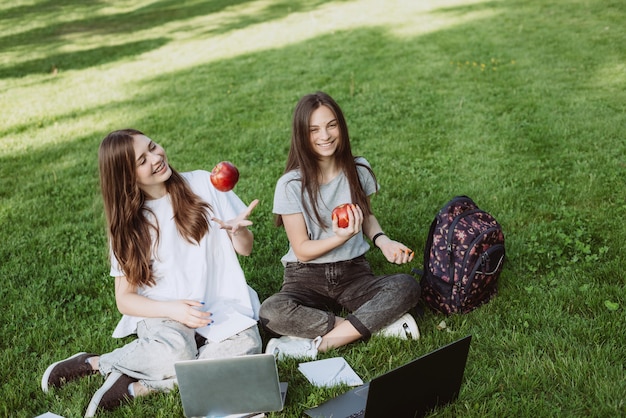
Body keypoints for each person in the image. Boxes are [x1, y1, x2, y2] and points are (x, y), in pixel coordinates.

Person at [41, 129, 262, 416]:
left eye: (153, 147)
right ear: (126, 176)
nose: (156, 157)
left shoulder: (204, 184)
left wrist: (239, 233)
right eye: (142, 160)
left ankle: (141, 385)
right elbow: (125, 299)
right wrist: (174, 310)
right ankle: (96, 363)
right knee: (177, 352)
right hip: (163, 314)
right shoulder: (127, 227)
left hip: (220, 306)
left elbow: (245, 249)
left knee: (248, 345)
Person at [259, 92, 421, 360]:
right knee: (271, 312)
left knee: (406, 286)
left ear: (341, 127)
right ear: (302, 135)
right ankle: (370, 327)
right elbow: (302, 250)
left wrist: (383, 240)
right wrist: (340, 237)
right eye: (314, 129)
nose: (325, 135)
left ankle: (319, 345)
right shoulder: (290, 185)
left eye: (331, 125)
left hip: (353, 274)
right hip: (305, 277)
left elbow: (366, 216)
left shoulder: (359, 169)